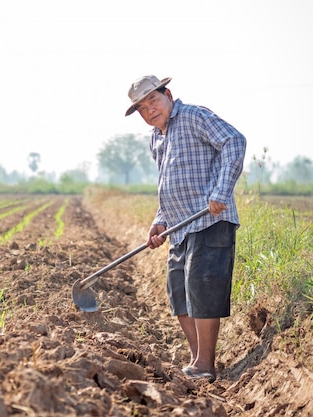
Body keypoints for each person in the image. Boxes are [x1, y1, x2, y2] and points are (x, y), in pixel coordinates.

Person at [125, 75, 246, 382]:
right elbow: (167, 184)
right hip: (178, 228)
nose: (150, 110)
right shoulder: (156, 137)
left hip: (209, 221)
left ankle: (205, 364)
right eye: (142, 108)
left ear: (168, 94)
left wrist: (221, 191)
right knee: (179, 292)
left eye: (153, 100)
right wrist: (160, 219)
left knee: (202, 289)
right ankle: (197, 360)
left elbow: (234, 141)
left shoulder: (193, 115)